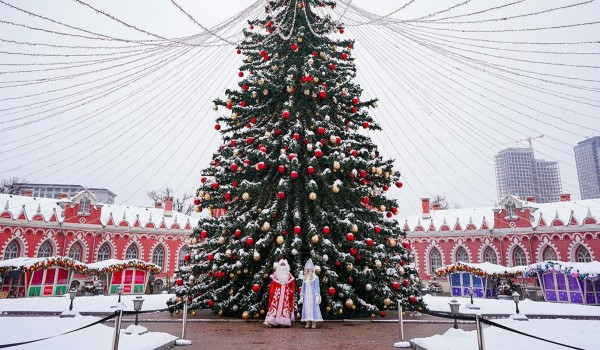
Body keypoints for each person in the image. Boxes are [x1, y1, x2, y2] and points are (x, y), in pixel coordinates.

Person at [264, 259, 296, 327]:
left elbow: (292, 285)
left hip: (285, 296)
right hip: (277, 295)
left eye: (284, 265)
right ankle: (271, 322)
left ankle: (283, 322)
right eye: (281, 265)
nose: (283, 267)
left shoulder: (289, 276)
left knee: (284, 309)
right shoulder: (275, 275)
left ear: (287, 266)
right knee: (274, 307)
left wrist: (290, 292)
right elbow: (272, 285)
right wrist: (272, 293)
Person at [299, 259, 323, 328]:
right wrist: (301, 296)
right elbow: (303, 288)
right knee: (307, 308)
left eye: (309, 269)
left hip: (312, 296)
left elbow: (317, 287)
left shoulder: (315, 278)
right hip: (307, 296)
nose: (308, 270)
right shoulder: (305, 278)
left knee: (313, 308)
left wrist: (317, 295)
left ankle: (314, 322)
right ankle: (308, 321)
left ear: (312, 269)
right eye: (307, 269)